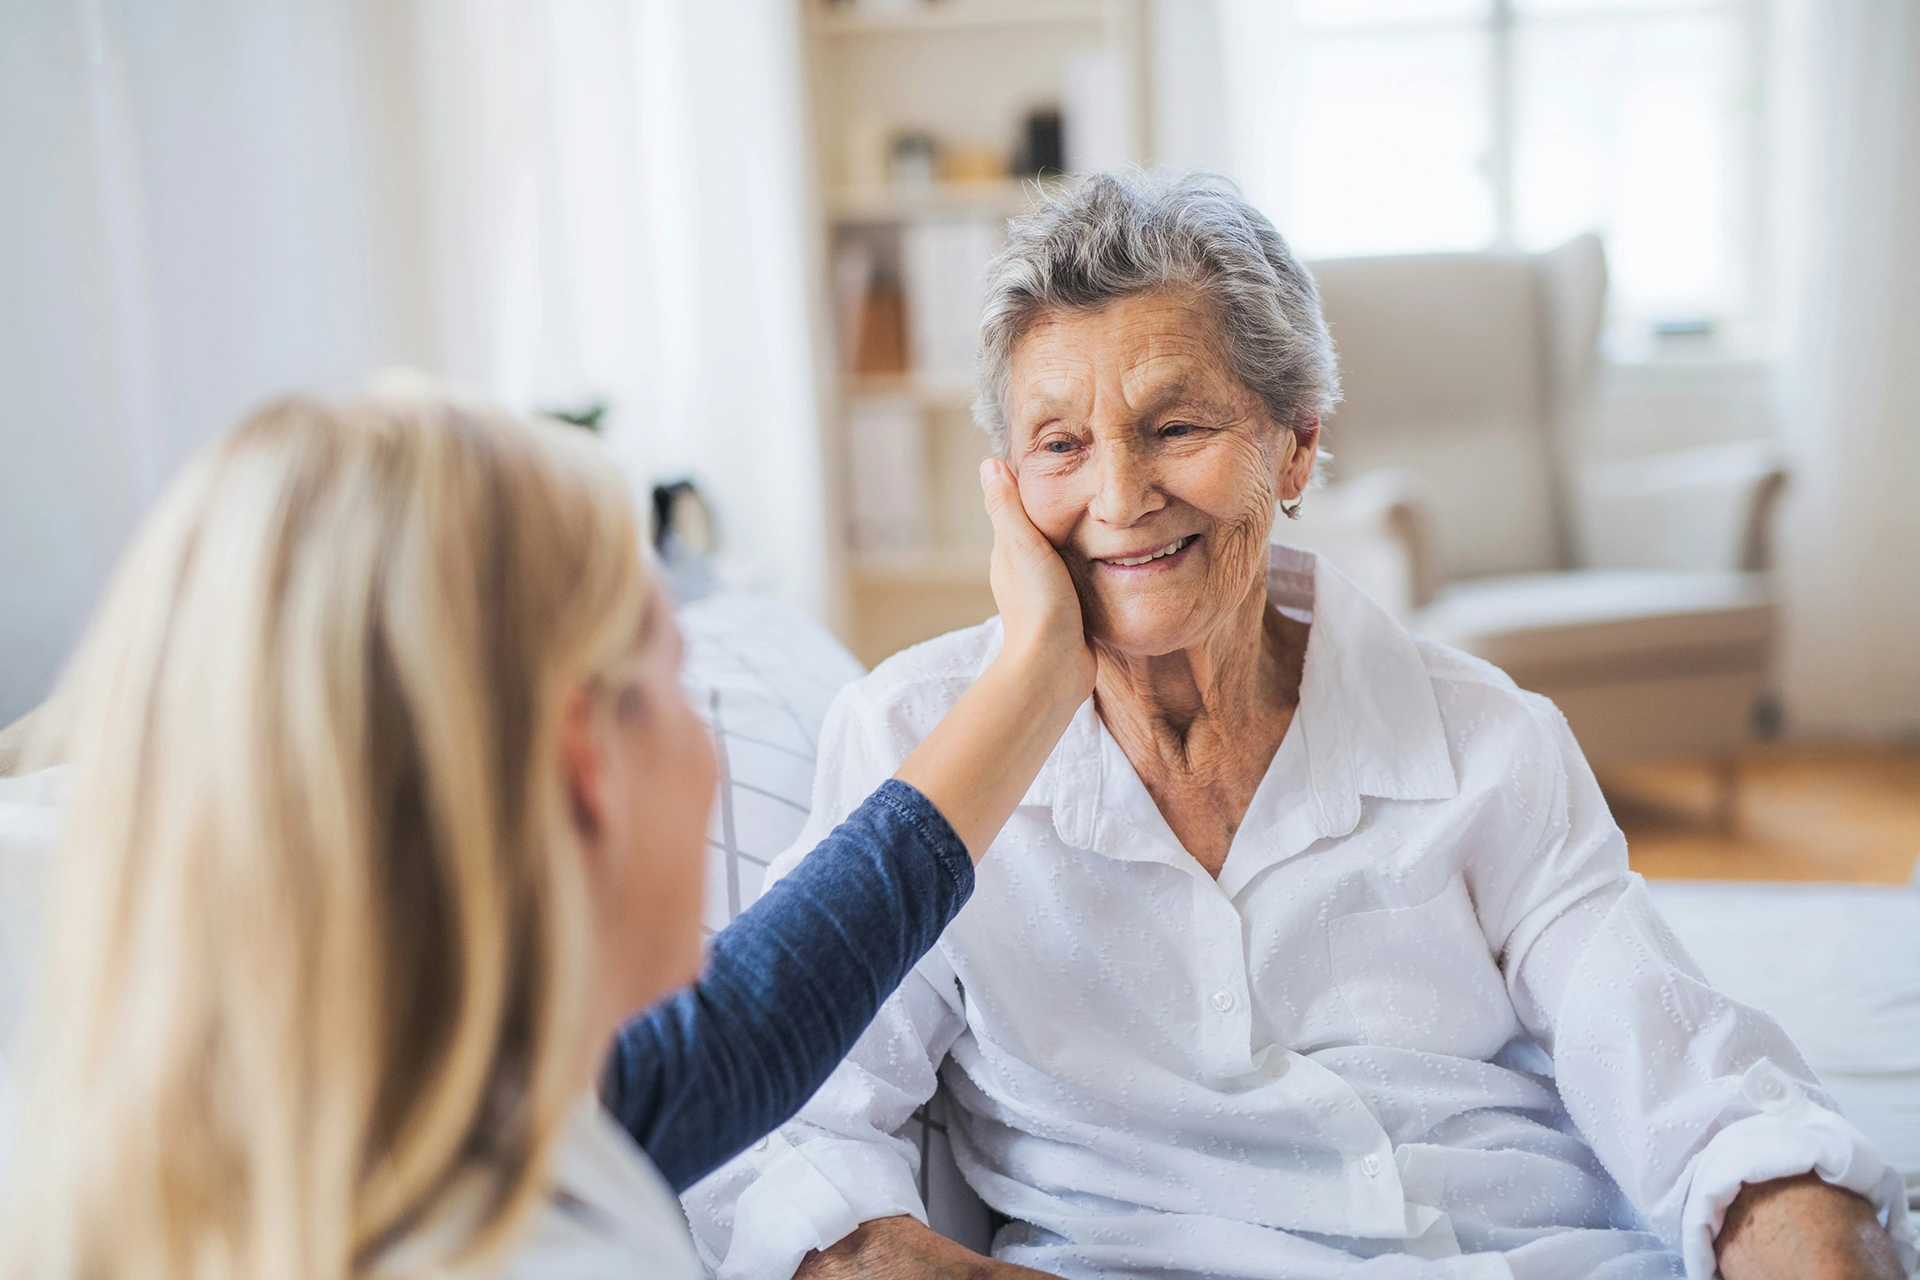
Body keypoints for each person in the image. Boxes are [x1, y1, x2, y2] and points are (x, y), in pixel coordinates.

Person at [684, 173, 1915, 1280]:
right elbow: (793, 1142)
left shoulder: (1489, 739)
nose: (1120, 497)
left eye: (1177, 426)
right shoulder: (911, 740)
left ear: (1299, 443)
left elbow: (1709, 1101)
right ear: (1005, 485)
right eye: (1061, 444)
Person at [0, 381, 1093, 1279]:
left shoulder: (361, 1108)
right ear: (587, 758)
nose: (708, 744)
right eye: (678, 680)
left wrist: (1036, 669)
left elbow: (741, 1030)